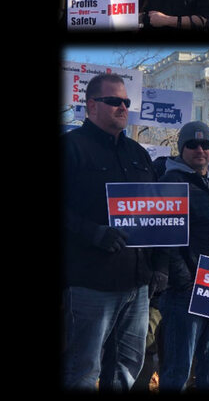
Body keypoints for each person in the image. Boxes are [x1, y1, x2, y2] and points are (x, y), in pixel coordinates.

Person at [63, 73, 159, 390]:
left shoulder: (139, 154)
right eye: (114, 101)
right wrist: (94, 233)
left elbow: (158, 213)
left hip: (137, 283)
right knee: (83, 369)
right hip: (90, 283)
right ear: (91, 105)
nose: (122, 107)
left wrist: (158, 267)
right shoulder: (71, 147)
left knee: (128, 367)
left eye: (126, 102)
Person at [157, 122, 209, 391]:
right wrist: (184, 280)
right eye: (192, 144)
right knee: (178, 371)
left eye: (206, 145)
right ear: (182, 148)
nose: (200, 150)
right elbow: (166, 239)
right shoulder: (170, 181)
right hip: (186, 290)